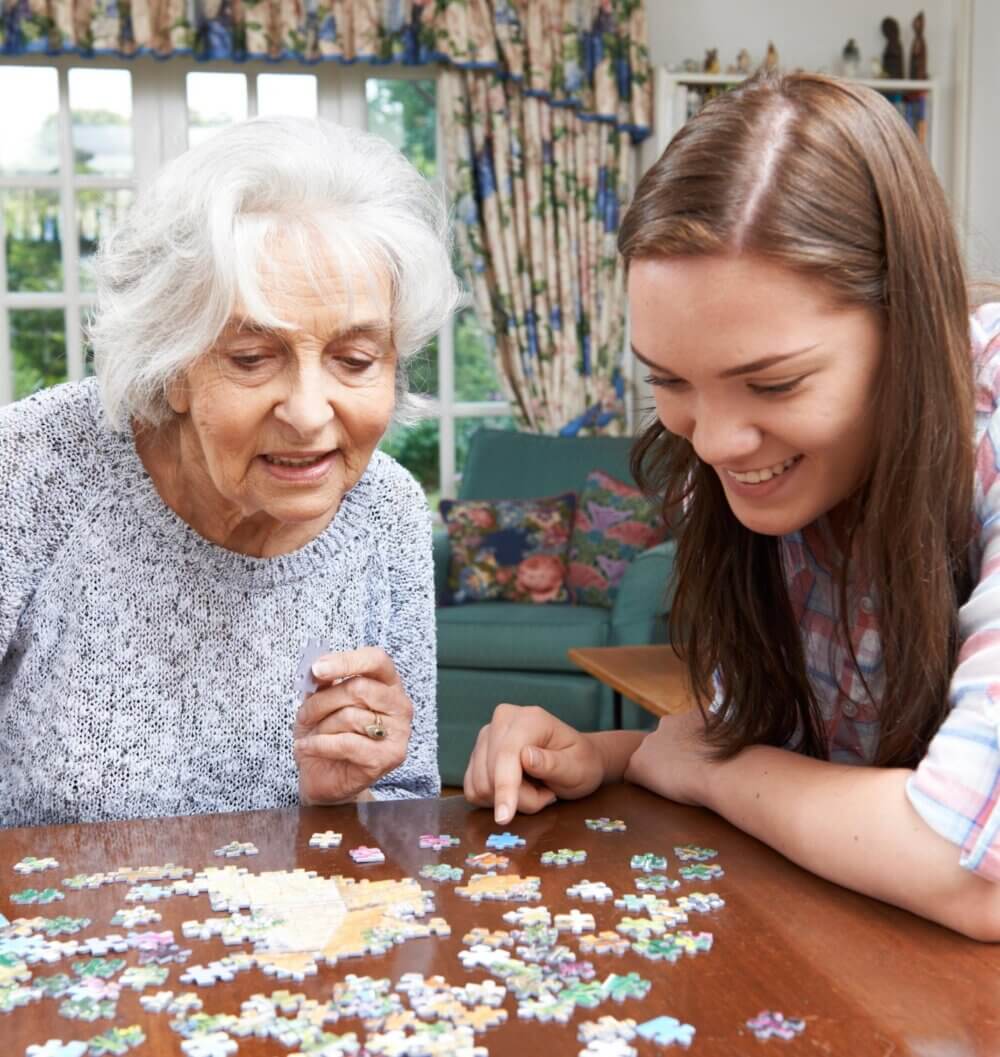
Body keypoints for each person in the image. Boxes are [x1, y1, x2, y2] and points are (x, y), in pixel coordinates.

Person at [464, 73, 1000, 940]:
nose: (711, 443)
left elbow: (974, 868)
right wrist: (603, 755)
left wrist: (708, 771)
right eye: (669, 380)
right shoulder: (762, 468)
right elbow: (775, 758)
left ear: (910, 322)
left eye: (774, 381)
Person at [0, 117, 459, 826]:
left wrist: (343, 795)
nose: (309, 413)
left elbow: (400, 812)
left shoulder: (387, 509)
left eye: (356, 360)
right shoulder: (34, 467)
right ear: (172, 365)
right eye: (252, 358)